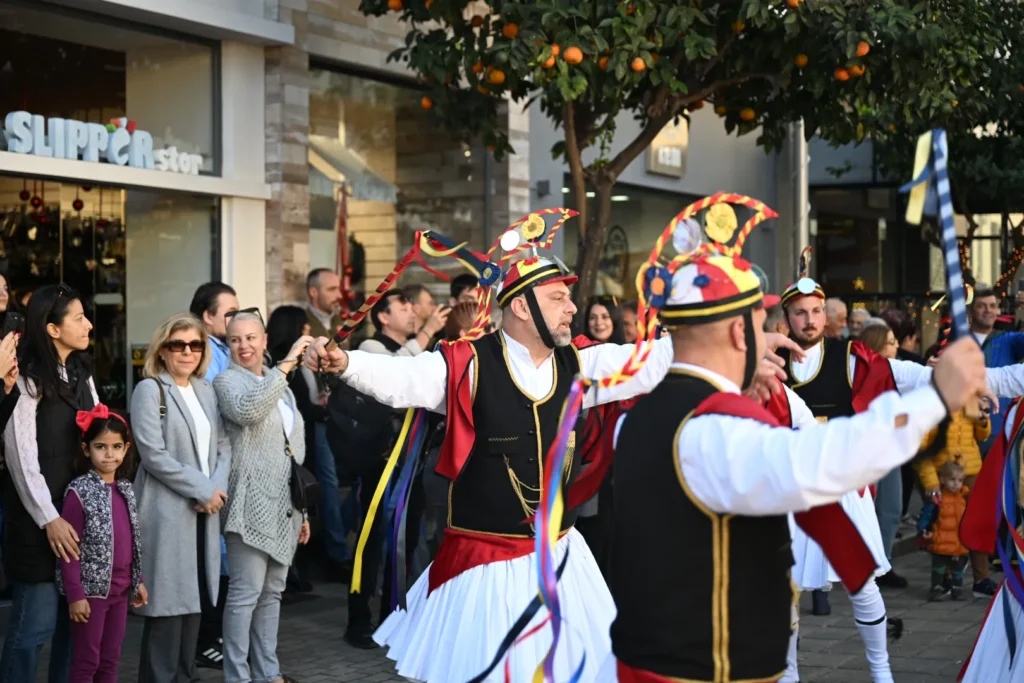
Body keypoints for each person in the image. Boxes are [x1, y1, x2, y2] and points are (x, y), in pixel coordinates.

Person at [305, 249, 800, 681]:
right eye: (557, 299)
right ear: (520, 306)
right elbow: (402, 378)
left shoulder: (579, 366)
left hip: (560, 558)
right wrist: (344, 362)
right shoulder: (466, 363)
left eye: (568, 299)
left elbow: (651, 361)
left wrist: (742, 345)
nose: (571, 309)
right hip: (484, 566)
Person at [596, 250, 989, 683]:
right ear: (737, 331)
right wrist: (935, 399)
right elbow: (819, 461)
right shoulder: (713, 430)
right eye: (757, 322)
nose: (768, 332)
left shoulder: (636, 420)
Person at [1, 283, 96, 683]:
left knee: (74, 633)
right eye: (78, 318)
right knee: (31, 633)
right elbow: (21, 459)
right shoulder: (28, 379)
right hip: (39, 528)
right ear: (53, 329)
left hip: (79, 524)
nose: (88, 324)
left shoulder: (81, 375)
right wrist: (49, 518)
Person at [130, 312, 231, 683]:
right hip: (168, 512)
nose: (187, 352)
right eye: (178, 345)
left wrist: (215, 490)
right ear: (163, 350)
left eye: (195, 345)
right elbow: (153, 455)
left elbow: (223, 446)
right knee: (167, 612)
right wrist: (203, 489)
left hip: (205, 513)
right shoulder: (150, 389)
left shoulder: (206, 389)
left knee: (195, 607)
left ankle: (186, 677)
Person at [214, 311, 311, 683]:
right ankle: (237, 677)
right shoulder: (226, 382)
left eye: (251, 338)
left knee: (272, 593)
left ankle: (268, 674)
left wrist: (303, 511)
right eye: (236, 340)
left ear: (264, 340)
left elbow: (295, 450)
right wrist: (285, 365)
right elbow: (248, 411)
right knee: (244, 594)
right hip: (247, 504)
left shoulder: (281, 386)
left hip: (284, 506)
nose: (244, 346)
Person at [58, 405, 148, 683]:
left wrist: (138, 580)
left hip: (120, 592)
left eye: (116, 447)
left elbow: (133, 539)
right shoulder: (78, 492)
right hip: (91, 595)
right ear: (86, 450)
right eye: (101, 447)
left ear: (126, 449)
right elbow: (68, 549)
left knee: (110, 661)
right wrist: (76, 595)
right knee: (88, 661)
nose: (109, 454)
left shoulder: (125, 489)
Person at [188, 281, 238, 668]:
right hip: (206, 470)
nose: (236, 320)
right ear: (207, 316)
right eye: (229, 313)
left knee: (221, 557)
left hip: (226, 465)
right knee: (209, 557)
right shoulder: (204, 352)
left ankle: (215, 635)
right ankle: (205, 639)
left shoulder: (225, 348)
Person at [267, 305, 331, 592]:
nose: (309, 332)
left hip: (303, 442)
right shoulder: (281, 366)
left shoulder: (295, 364)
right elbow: (299, 406)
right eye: (305, 328)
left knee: (303, 502)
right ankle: (291, 572)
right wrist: (323, 411)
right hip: (289, 449)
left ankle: (298, 568)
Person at [915, 398, 995, 596]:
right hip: (942, 474)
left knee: (977, 524)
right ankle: (941, 581)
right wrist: (932, 481)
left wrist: (983, 420)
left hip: (970, 471)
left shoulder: (971, 397)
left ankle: (981, 579)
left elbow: (982, 435)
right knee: (942, 525)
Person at [966, 287, 1024, 453]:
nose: (988, 311)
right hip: (963, 429)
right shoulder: (957, 340)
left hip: (999, 429)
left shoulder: (1009, 340)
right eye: (982, 306)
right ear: (970, 310)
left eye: (992, 306)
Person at [915, 460, 971, 601]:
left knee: (958, 569)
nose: (956, 483)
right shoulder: (937, 499)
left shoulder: (964, 498)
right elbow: (926, 516)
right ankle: (936, 588)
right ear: (942, 479)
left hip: (959, 543)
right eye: (952, 479)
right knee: (938, 568)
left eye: (960, 480)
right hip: (940, 541)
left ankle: (957, 588)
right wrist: (923, 530)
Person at [189, 282, 239, 385]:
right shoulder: (204, 351)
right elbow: (213, 396)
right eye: (232, 313)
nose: (238, 319)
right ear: (208, 317)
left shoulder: (223, 345)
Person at [305, 268, 345, 340]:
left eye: (339, 289)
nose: (340, 295)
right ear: (313, 292)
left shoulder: (340, 321)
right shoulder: (302, 324)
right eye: (332, 289)